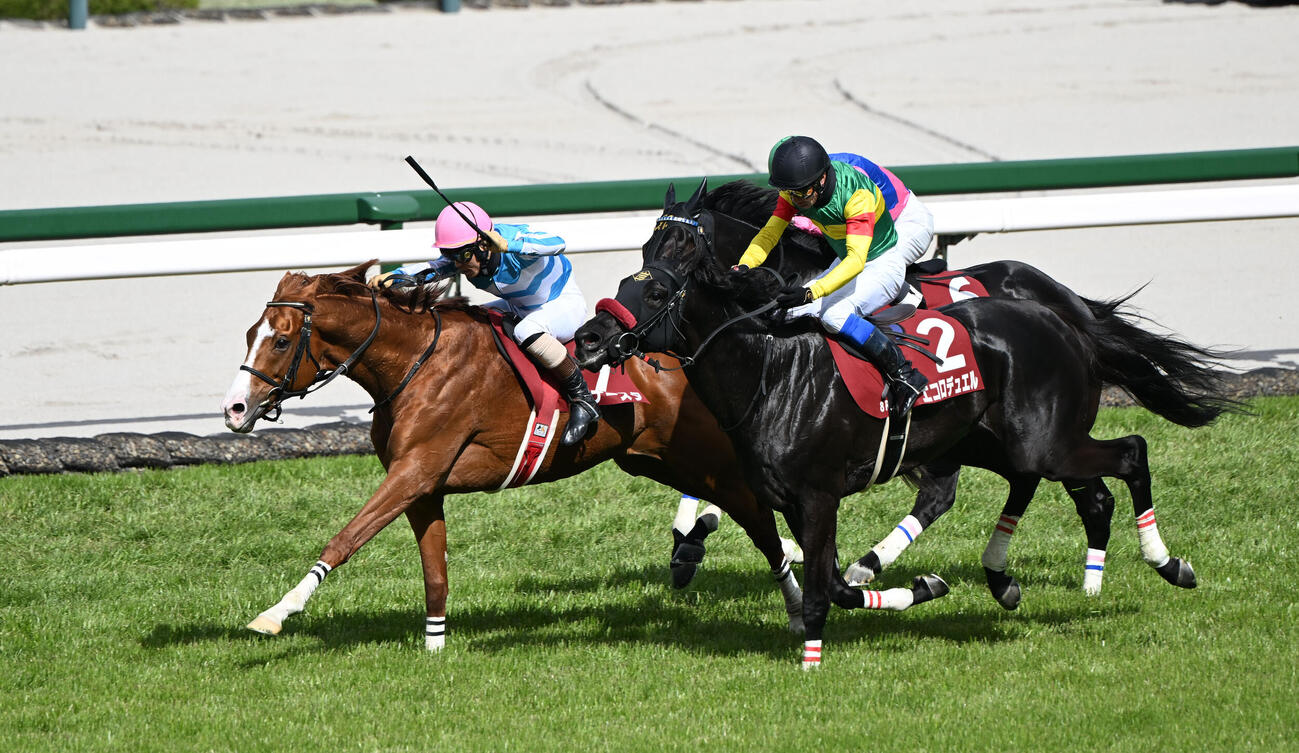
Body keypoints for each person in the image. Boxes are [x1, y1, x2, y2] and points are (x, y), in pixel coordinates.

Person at [370, 201, 600, 446]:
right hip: (519, 306)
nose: (458, 264)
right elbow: (433, 269)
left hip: (562, 302)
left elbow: (557, 243)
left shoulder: (511, 239)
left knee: (526, 330)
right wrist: (395, 277)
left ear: (482, 245)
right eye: (450, 255)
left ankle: (583, 399)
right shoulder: (465, 256)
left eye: (463, 256)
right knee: (467, 321)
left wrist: (509, 246)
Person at [734, 135, 931, 418]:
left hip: (882, 262)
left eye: (801, 194)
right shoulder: (796, 190)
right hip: (851, 257)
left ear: (822, 179)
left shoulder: (857, 193)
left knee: (833, 315)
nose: (796, 202)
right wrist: (744, 265)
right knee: (786, 313)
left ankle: (904, 374)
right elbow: (770, 232)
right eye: (791, 194)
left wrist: (811, 292)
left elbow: (856, 260)